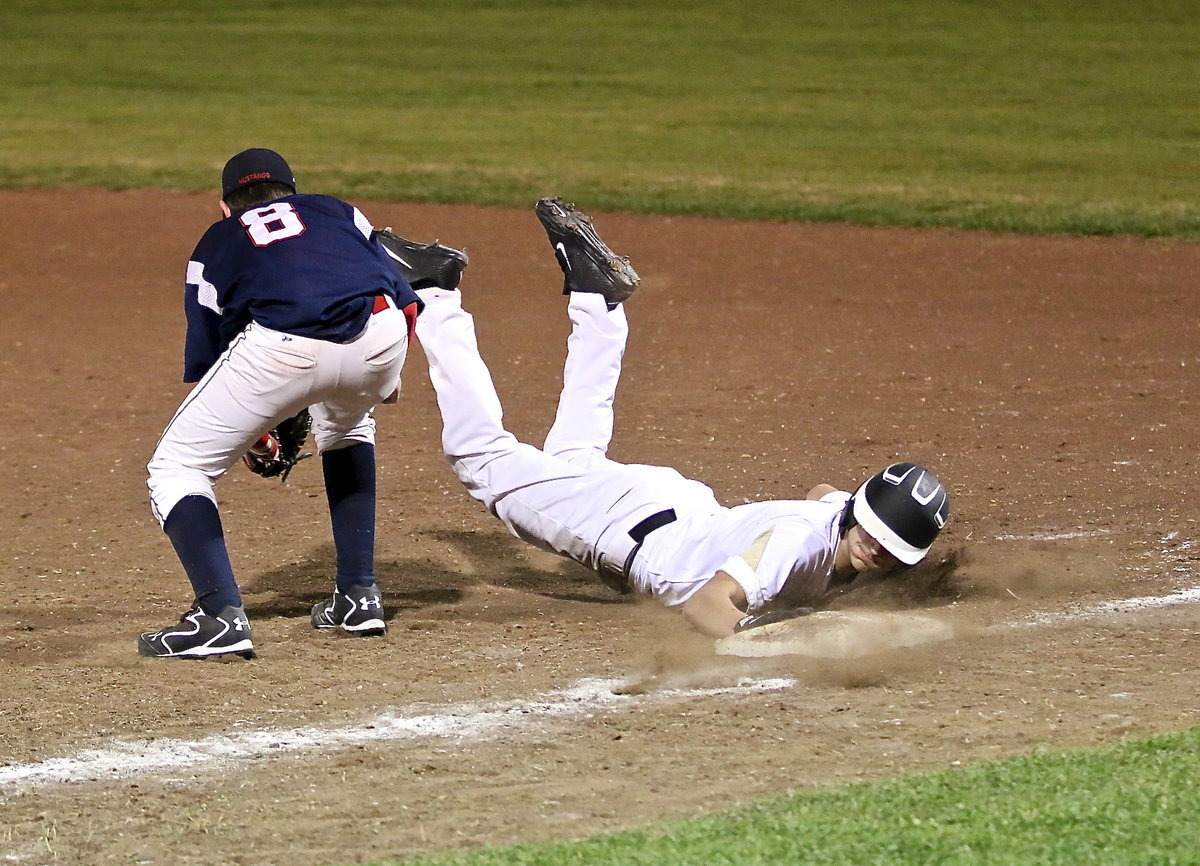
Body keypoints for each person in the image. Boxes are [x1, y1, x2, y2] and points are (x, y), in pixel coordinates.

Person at [411, 197, 950, 638]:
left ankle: (598, 303)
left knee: (571, 462)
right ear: (861, 513)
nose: (876, 549)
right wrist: (784, 640)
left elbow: (820, 493)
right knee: (480, 458)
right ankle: (433, 291)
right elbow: (707, 604)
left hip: (671, 511)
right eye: (876, 534)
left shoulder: (840, 519)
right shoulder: (798, 543)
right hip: (626, 530)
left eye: (892, 547)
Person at [139, 147, 440, 659]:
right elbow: (400, 285)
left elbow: (213, 350)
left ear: (224, 205)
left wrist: (258, 428)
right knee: (348, 427)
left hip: (283, 351)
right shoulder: (337, 210)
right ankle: (359, 596)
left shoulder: (217, 239)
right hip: (383, 330)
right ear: (293, 191)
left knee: (177, 466)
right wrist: (387, 373)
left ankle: (218, 618)